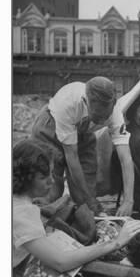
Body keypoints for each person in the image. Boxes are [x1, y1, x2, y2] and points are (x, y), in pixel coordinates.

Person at [12, 139, 140, 277]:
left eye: (52, 174)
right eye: (44, 177)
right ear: (26, 178)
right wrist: (116, 243)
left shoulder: (15, 202)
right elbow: (61, 262)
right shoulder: (21, 212)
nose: (52, 181)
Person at [31, 77, 134, 217]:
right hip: (51, 127)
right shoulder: (67, 104)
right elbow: (71, 157)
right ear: (86, 102)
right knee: (52, 189)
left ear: (114, 104)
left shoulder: (116, 113)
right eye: (97, 116)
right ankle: (43, 226)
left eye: (106, 116)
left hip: (83, 131)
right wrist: (90, 201)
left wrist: (128, 201)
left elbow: (125, 158)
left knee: (85, 193)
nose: (102, 121)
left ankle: (85, 228)